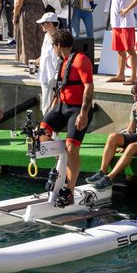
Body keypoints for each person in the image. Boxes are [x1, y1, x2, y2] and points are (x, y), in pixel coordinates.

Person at [38, 29, 94, 207]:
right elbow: (61, 87)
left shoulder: (81, 60)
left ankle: (69, 190)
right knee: (40, 135)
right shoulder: (63, 61)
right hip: (61, 107)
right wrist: (51, 107)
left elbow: (89, 87)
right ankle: (60, 165)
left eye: (53, 46)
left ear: (58, 45)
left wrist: (84, 113)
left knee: (71, 148)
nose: (52, 49)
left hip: (77, 110)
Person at [86, 82, 137, 191]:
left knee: (132, 147)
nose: (135, 99)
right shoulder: (135, 106)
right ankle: (102, 172)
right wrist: (123, 141)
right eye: (133, 96)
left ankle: (109, 179)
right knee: (113, 137)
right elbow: (131, 128)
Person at [14, 0, 45, 65]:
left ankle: (31, 62)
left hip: (27, 14)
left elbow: (18, 4)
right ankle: (41, 60)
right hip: (41, 12)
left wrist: (15, 16)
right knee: (40, 37)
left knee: (28, 39)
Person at [32, 12, 60, 114]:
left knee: (47, 105)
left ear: (50, 24)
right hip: (44, 74)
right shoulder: (47, 36)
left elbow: (57, 58)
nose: (41, 25)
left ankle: (47, 127)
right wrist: (37, 61)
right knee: (46, 103)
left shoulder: (57, 38)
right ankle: (49, 127)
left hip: (51, 76)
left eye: (43, 23)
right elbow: (45, 54)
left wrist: (57, 76)